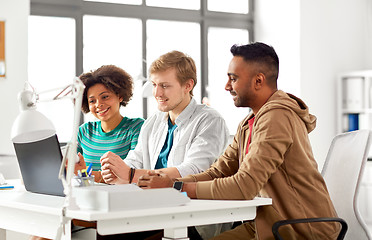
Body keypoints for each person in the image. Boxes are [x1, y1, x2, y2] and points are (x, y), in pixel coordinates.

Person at [137, 42, 340, 240]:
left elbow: (244, 186)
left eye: (233, 79)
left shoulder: (276, 117)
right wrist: (172, 183)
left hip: (300, 229)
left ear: (258, 81)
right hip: (267, 225)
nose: (227, 86)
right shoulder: (249, 122)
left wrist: (176, 188)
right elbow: (218, 171)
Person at [100, 50, 229, 185]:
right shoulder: (153, 122)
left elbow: (195, 170)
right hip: (154, 200)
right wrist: (115, 171)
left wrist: (131, 174)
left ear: (188, 85)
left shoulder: (210, 121)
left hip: (190, 202)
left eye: (165, 86)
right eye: (154, 85)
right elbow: (135, 160)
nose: (157, 93)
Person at [75, 65, 144, 183]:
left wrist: (85, 174)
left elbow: (131, 174)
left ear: (120, 96)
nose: (98, 104)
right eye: (92, 101)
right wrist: (81, 173)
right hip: (88, 196)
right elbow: (72, 170)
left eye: (105, 97)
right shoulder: (84, 131)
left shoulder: (136, 128)